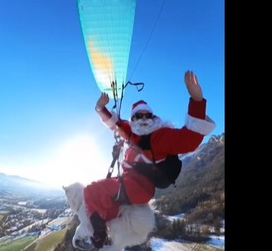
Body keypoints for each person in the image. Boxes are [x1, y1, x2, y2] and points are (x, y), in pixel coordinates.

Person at [83, 70, 216, 248]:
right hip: (129, 184)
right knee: (107, 208)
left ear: (153, 117)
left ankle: (98, 238)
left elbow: (189, 139)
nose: (144, 119)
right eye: (139, 116)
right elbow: (116, 124)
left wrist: (197, 101)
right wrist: (100, 108)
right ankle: (108, 238)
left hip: (138, 187)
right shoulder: (132, 134)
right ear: (133, 119)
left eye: (148, 115)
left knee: (91, 191)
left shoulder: (160, 136)